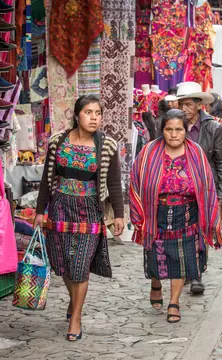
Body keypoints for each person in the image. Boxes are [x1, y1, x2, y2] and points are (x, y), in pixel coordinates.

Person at [34, 95, 125, 341]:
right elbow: (46, 180)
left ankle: (75, 319)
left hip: (89, 210)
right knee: (62, 263)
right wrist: (40, 211)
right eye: (88, 112)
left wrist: (119, 214)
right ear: (77, 115)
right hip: (60, 208)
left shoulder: (107, 146)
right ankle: (74, 302)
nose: (94, 117)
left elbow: (114, 183)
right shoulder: (57, 142)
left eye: (98, 113)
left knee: (80, 265)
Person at [129, 109, 222, 323]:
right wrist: (139, 214)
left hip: (187, 214)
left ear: (186, 130)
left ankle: (174, 302)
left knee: (182, 258)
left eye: (178, 129)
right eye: (169, 129)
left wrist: (211, 218)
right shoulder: (149, 152)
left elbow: (207, 186)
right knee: (156, 255)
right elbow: (135, 181)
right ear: (162, 130)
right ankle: (155, 282)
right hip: (156, 213)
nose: (173, 134)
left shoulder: (196, 153)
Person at [176, 81, 222, 294]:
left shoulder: (213, 127)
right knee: (181, 230)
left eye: (188, 104)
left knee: (201, 231)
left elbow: (220, 162)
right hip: (178, 187)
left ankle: (197, 274)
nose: (184, 109)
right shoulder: (174, 124)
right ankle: (185, 270)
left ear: (199, 104)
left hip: (204, 188)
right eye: (182, 104)